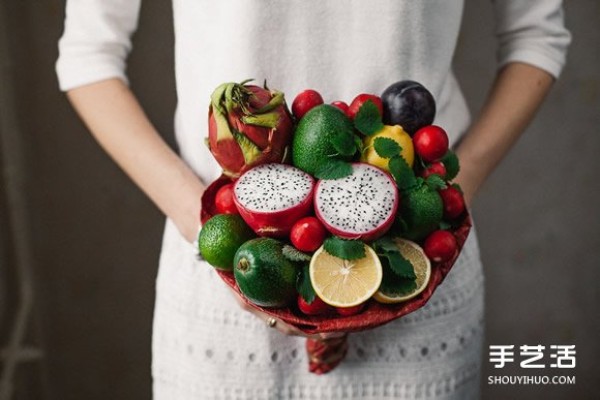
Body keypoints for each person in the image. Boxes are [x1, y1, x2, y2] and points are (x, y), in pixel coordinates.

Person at [56, 1, 570, 398]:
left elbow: (537, 33)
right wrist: (206, 222)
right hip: (225, 274)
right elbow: (88, 56)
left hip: (416, 267)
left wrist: (453, 194)